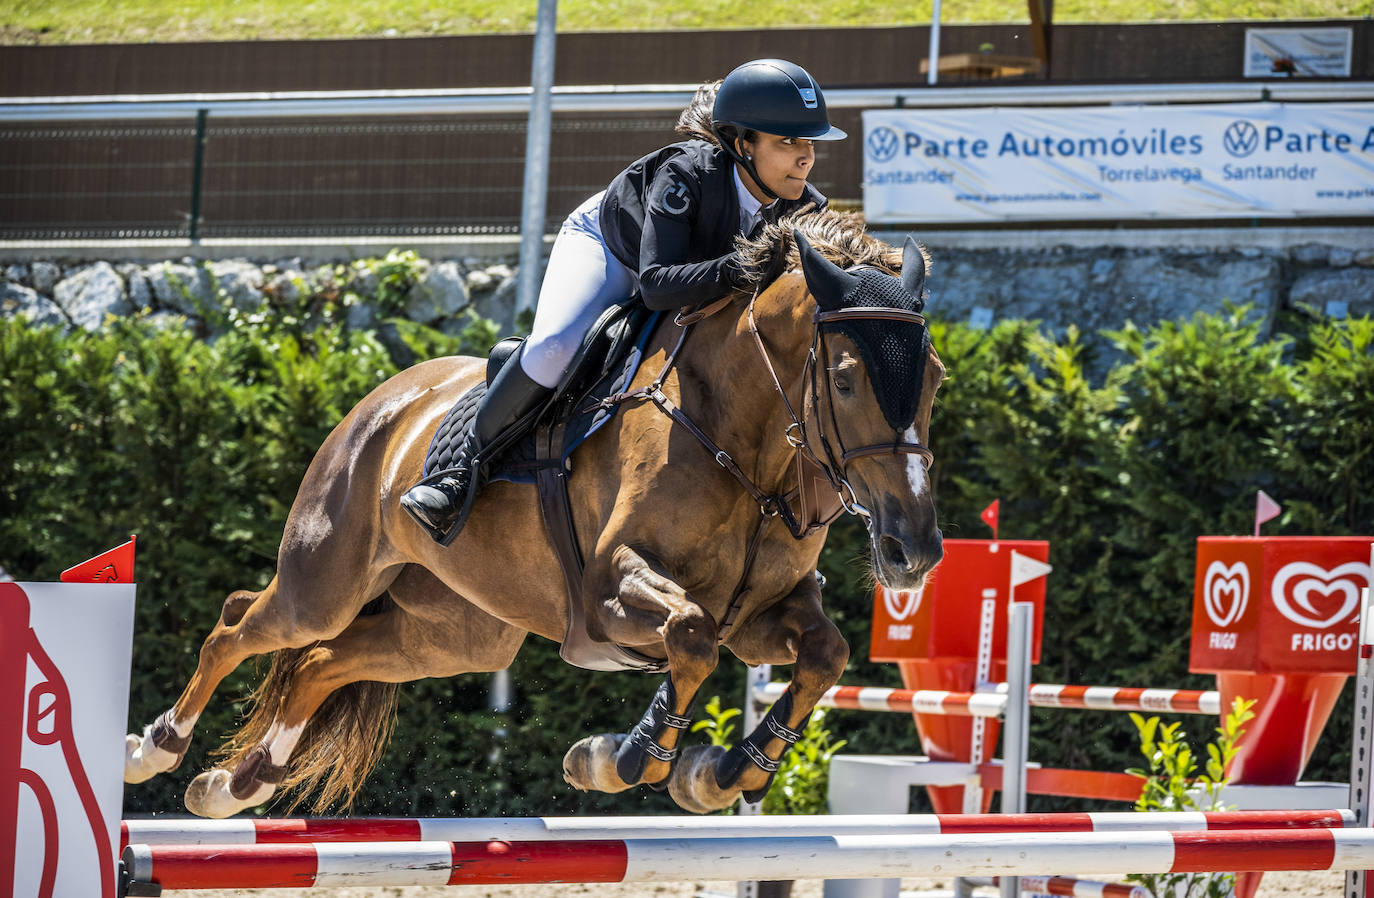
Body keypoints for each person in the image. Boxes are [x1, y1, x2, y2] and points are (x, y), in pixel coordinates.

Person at [401, 58, 847, 544]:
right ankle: (462, 472)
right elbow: (655, 285)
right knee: (555, 346)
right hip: (613, 249)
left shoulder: (805, 206)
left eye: (809, 142)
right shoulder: (686, 174)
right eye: (788, 142)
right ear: (742, 142)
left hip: (691, 274)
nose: (806, 157)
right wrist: (744, 266)